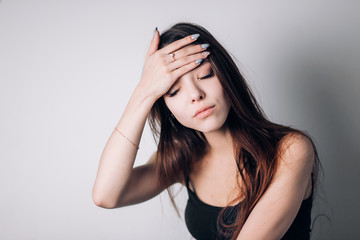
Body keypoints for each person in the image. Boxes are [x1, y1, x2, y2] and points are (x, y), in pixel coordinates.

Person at [92, 22, 320, 240]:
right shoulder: (183, 158)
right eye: (173, 91)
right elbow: (106, 195)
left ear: (227, 76)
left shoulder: (290, 150)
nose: (195, 94)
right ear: (166, 107)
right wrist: (143, 92)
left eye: (205, 75)